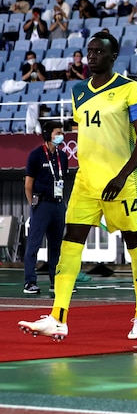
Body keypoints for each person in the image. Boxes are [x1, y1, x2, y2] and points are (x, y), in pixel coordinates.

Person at [19, 32, 137, 341]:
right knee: (70, 244)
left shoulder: (130, 90)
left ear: (113, 55)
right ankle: (58, 317)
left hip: (122, 183)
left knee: (135, 244)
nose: (91, 56)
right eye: (89, 51)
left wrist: (121, 176)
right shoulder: (78, 91)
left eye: (98, 52)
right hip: (86, 182)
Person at [22, 121, 69, 295]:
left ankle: (55, 282)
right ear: (48, 134)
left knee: (56, 246)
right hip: (41, 204)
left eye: (61, 133)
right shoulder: (35, 155)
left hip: (58, 205)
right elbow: (28, 184)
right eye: (57, 133)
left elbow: (62, 179)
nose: (60, 136)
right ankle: (29, 282)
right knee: (34, 245)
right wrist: (33, 204)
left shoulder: (62, 157)